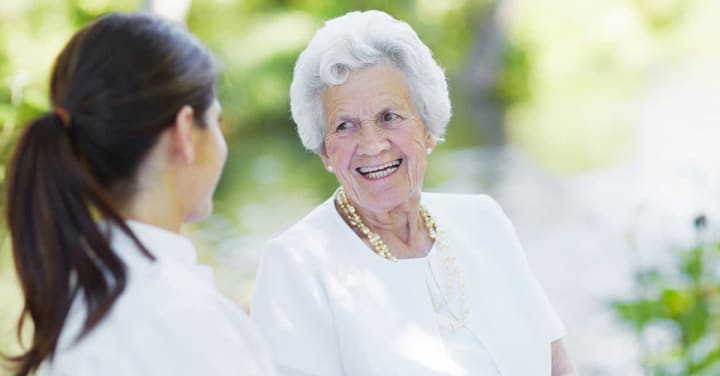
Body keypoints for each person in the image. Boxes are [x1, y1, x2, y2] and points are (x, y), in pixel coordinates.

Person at [250, 10, 575, 376]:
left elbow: (556, 364)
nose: (372, 145)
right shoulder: (296, 265)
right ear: (325, 151)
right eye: (345, 126)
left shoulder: (485, 221)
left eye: (389, 117)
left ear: (428, 128)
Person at [3, 12, 274, 376]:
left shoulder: (80, 300)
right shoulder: (183, 316)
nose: (220, 142)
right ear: (183, 133)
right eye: (213, 120)